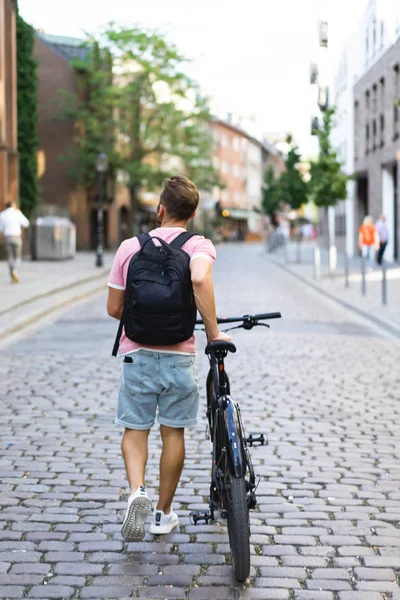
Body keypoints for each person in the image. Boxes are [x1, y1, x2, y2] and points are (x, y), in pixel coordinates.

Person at [107, 175, 231, 541]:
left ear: (160, 209)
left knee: (135, 430)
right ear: (192, 213)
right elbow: (198, 278)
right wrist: (213, 332)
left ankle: (136, 492)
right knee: (172, 432)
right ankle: (163, 514)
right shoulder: (199, 245)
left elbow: (114, 308)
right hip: (179, 356)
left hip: (138, 353)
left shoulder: (130, 247)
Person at [0, 201, 30, 283]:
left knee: (10, 256)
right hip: (17, 237)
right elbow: (27, 223)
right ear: (14, 206)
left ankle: (12, 274)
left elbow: (1, 228)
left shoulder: (2, 214)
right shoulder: (17, 213)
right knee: (18, 257)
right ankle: (15, 271)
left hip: (7, 237)